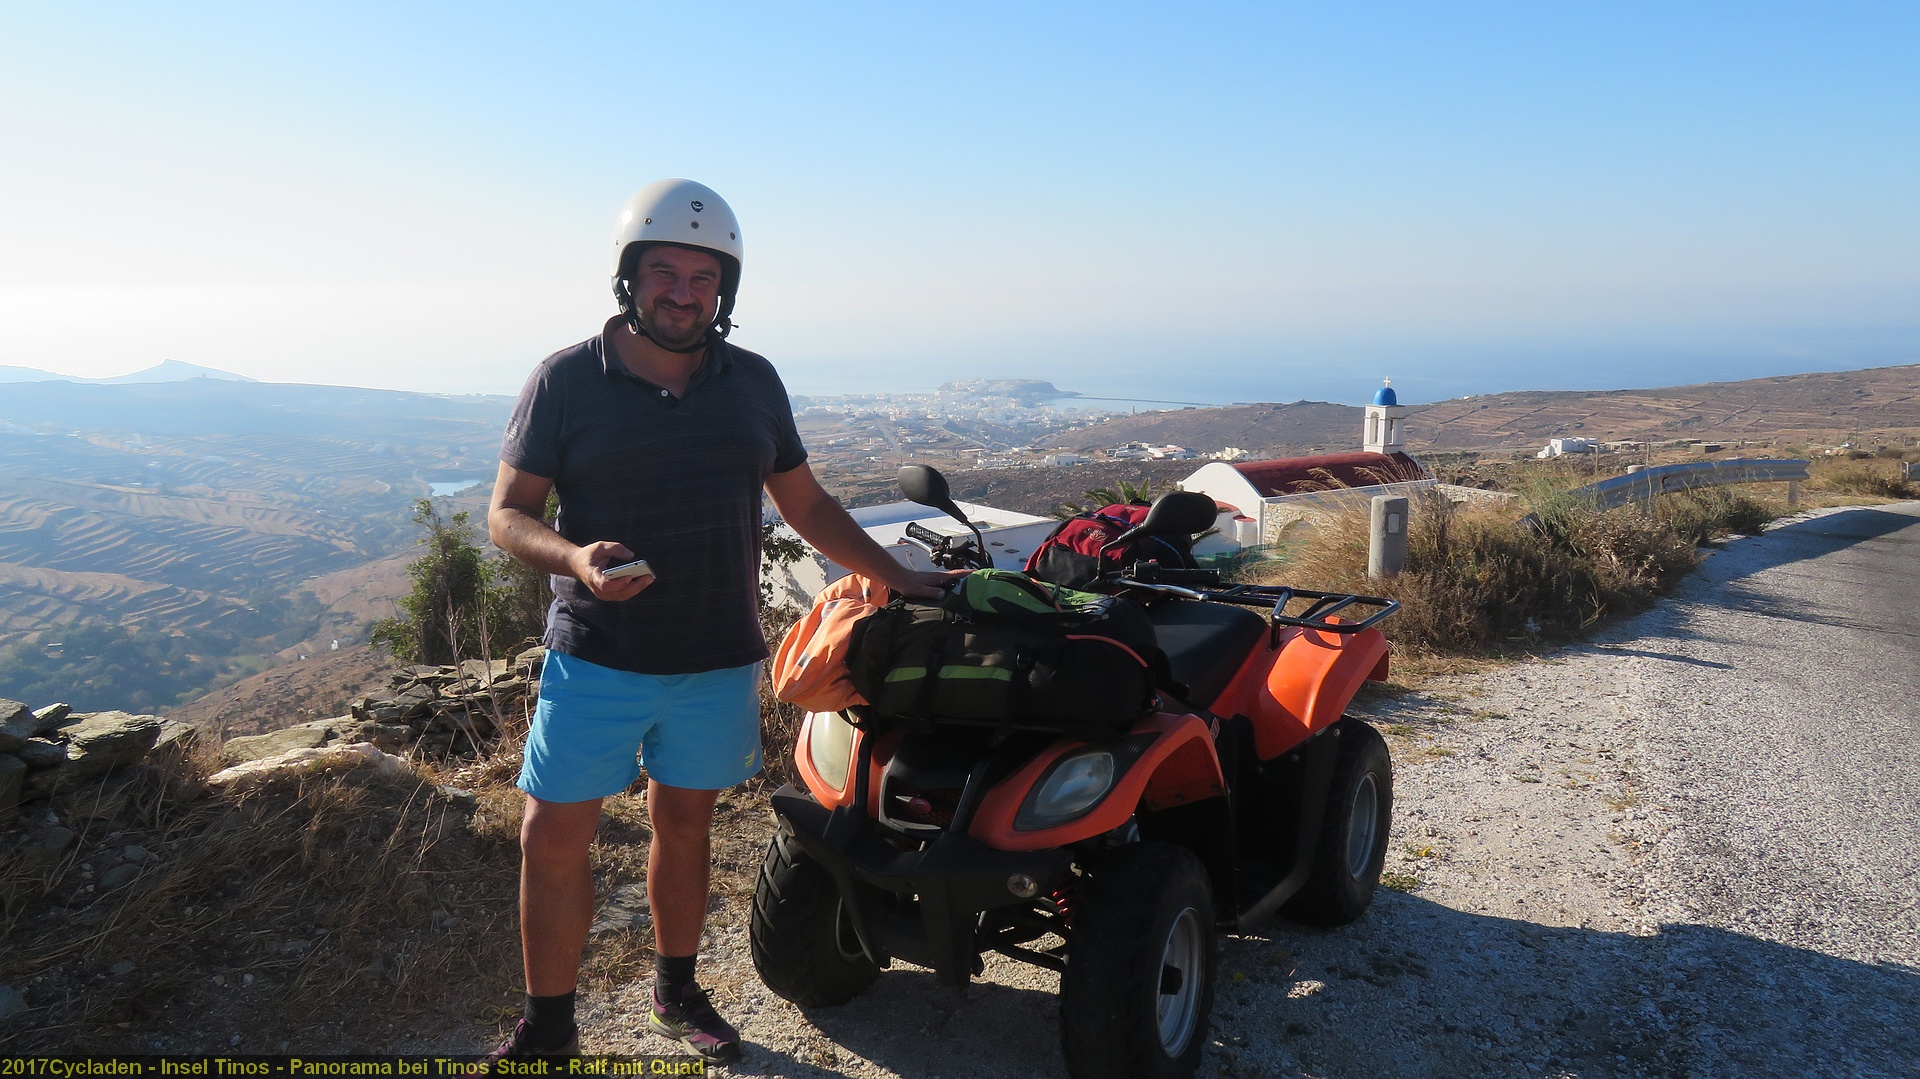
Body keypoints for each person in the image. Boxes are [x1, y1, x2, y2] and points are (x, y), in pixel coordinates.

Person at [484, 178, 956, 1062]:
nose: (683, 292)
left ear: (724, 289)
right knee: (551, 838)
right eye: (664, 272)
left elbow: (806, 505)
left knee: (685, 825)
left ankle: (675, 993)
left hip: (715, 657)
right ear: (630, 277)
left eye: (703, 277)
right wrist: (576, 558)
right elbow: (508, 514)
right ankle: (548, 1028)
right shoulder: (566, 379)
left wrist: (898, 575)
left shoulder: (754, 382)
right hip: (596, 654)